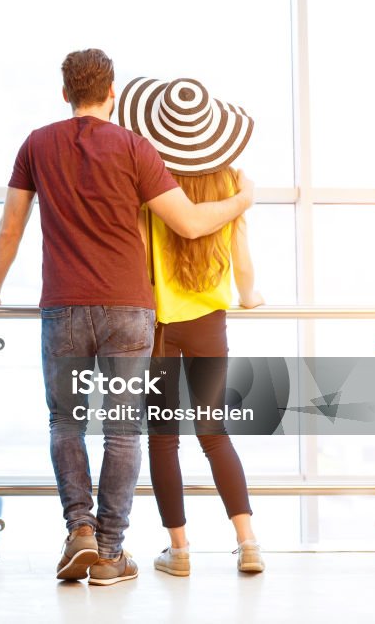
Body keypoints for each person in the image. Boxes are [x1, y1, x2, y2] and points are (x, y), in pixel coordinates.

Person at [0, 50, 254, 586]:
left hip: (63, 305)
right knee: (124, 431)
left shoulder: (37, 143)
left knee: (65, 422)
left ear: (65, 93)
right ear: (113, 93)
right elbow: (191, 224)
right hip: (128, 308)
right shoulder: (133, 147)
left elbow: (10, 228)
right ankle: (108, 553)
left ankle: (78, 527)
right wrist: (241, 203)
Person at [118, 75, 265, 575]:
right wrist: (250, 297)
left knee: (163, 438)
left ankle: (178, 552)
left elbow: (139, 255)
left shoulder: (150, 182)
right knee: (215, 432)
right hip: (210, 323)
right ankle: (248, 543)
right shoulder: (230, 185)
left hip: (159, 325)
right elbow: (242, 262)